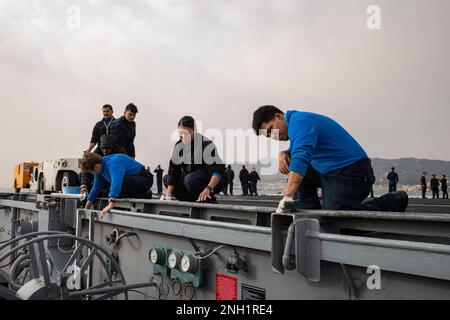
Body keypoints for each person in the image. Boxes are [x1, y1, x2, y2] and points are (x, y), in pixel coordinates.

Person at [252, 105, 408, 213]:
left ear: (278, 116)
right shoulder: (297, 127)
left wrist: (287, 196)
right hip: (333, 173)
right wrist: (283, 152)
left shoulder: (300, 122)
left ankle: (394, 200)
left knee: (338, 218)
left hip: (354, 173)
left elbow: (301, 157)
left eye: (272, 129)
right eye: (269, 136)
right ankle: (311, 215)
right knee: (293, 161)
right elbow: (297, 150)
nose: (274, 137)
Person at [161, 116, 227, 203]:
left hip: (213, 180)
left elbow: (216, 170)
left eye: (185, 133)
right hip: (192, 178)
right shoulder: (179, 146)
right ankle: (190, 202)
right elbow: (174, 170)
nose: (182, 136)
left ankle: (209, 200)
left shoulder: (205, 144)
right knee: (167, 179)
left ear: (194, 131)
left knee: (190, 180)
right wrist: (168, 195)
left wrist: (209, 188)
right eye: (180, 133)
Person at [82, 152, 153, 218]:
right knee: (111, 188)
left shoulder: (113, 163)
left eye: (91, 171)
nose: (92, 173)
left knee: (121, 184)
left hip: (145, 179)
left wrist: (110, 205)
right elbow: (96, 188)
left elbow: (116, 182)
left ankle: (145, 196)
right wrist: (86, 208)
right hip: (133, 181)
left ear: (95, 167)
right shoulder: (100, 170)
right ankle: (143, 194)